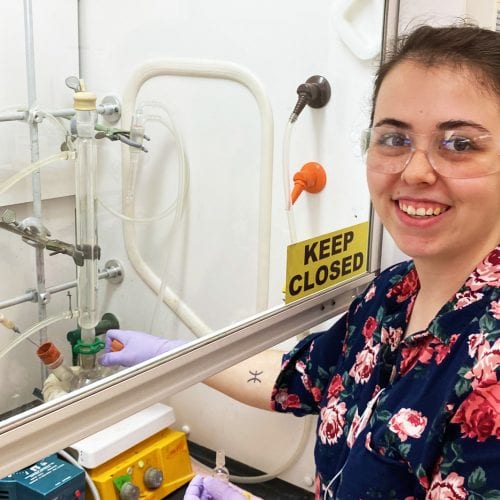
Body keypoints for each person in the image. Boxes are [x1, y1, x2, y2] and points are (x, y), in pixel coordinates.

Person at [100, 22, 500, 499]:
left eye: (459, 144)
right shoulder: (391, 294)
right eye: (394, 138)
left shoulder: (488, 364)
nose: (414, 171)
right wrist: (171, 357)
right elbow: (297, 378)